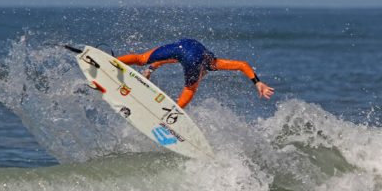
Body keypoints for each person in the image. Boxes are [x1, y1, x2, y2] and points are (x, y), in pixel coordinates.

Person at [117, 38, 274, 108]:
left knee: (141, 58)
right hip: (193, 54)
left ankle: (112, 60)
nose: (200, 76)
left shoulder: (197, 59)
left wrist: (150, 68)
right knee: (190, 89)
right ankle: (175, 112)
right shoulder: (212, 63)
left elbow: (171, 59)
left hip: (180, 46)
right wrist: (258, 82)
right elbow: (242, 65)